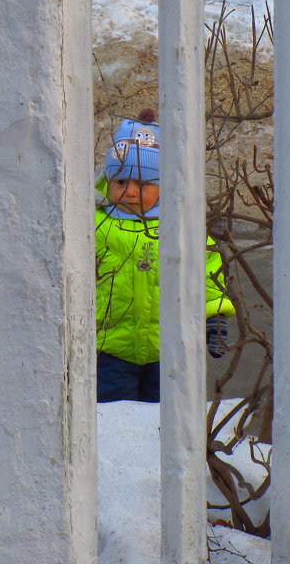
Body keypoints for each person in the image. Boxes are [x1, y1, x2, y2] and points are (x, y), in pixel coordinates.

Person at [95, 108, 235, 403]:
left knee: (165, 415)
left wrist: (215, 316)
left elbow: (207, 270)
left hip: (168, 350)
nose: (130, 192)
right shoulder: (96, 226)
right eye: (121, 182)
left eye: (143, 185)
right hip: (109, 351)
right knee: (111, 418)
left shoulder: (180, 227)